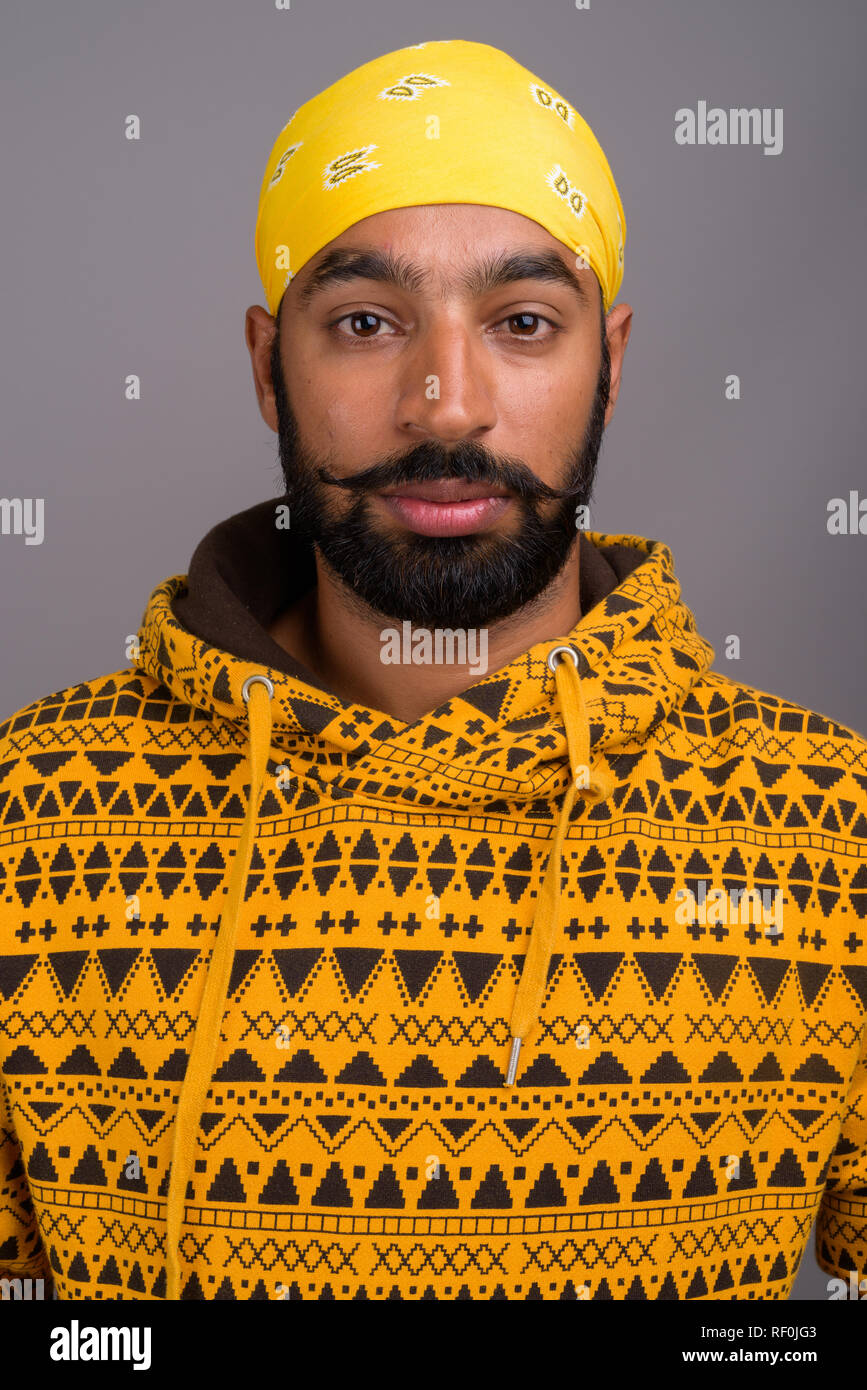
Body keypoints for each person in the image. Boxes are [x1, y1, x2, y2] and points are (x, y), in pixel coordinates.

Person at [1, 38, 865, 1303]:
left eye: (521, 323)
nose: (446, 405)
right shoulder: (33, 813)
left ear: (610, 364)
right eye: (366, 322)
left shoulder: (831, 828)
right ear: (264, 366)